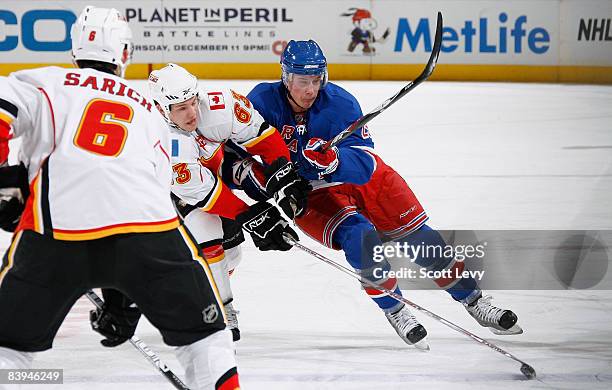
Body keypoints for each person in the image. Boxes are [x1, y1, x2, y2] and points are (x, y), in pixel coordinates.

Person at [0, 7, 241, 389]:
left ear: (74, 50)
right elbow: (144, 193)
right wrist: (122, 296)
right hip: (150, 236)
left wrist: (3, 182)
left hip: (55, 233)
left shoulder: (44, 82)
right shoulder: (148, 109)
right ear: (125, 54)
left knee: (8, 349)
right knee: (207, 339)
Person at [230, 40, 523, 349]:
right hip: (311, 191)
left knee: (421, 239)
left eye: (317, 80)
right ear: (286, 78)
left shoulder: (340, 103)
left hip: (358, 179)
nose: (311, 90)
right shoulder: (261, 101)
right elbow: (238, 158)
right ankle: (396, 310)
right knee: (361, 238)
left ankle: (474, 300)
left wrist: (336, 160)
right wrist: (273, 184)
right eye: (303, 81)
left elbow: (365, 165)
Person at [147, 63, 308, 341]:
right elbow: (203, 194)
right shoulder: (163, 140)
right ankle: (220, 308)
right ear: (163, 109)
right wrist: (252, 216)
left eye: (193, 102)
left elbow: (265, 138)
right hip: (164, 195)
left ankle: (200, 289)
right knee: (210, 236)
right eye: (181, 108)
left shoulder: (221, 105)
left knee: (232, 254)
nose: (192, 113)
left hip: (209, 174)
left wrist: (285, 176)